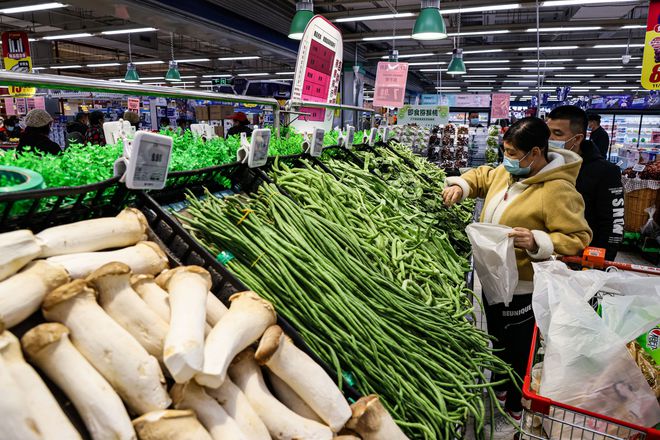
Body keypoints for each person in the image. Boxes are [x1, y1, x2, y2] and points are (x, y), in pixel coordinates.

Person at [443, 117, 592, 438]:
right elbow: (482, 176)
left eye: (512, 152)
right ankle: (498, 393)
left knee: (517, 353)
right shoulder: (507, 172)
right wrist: (461, 185)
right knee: (496, 340)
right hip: (494, 280)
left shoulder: (558, 191)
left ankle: (511, 410)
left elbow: (579, 237)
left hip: (525, 287)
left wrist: (540, 241)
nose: (507, 158)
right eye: (505, 151)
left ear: (534, 153)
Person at [547, 106, 624, 261]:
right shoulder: (545, 164)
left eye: (557, 133)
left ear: (577, 138)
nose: (550, 139)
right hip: (547, 253)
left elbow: (613, 223)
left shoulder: (605, 171)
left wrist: (599, 261)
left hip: (582, 259)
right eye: (548, 133)